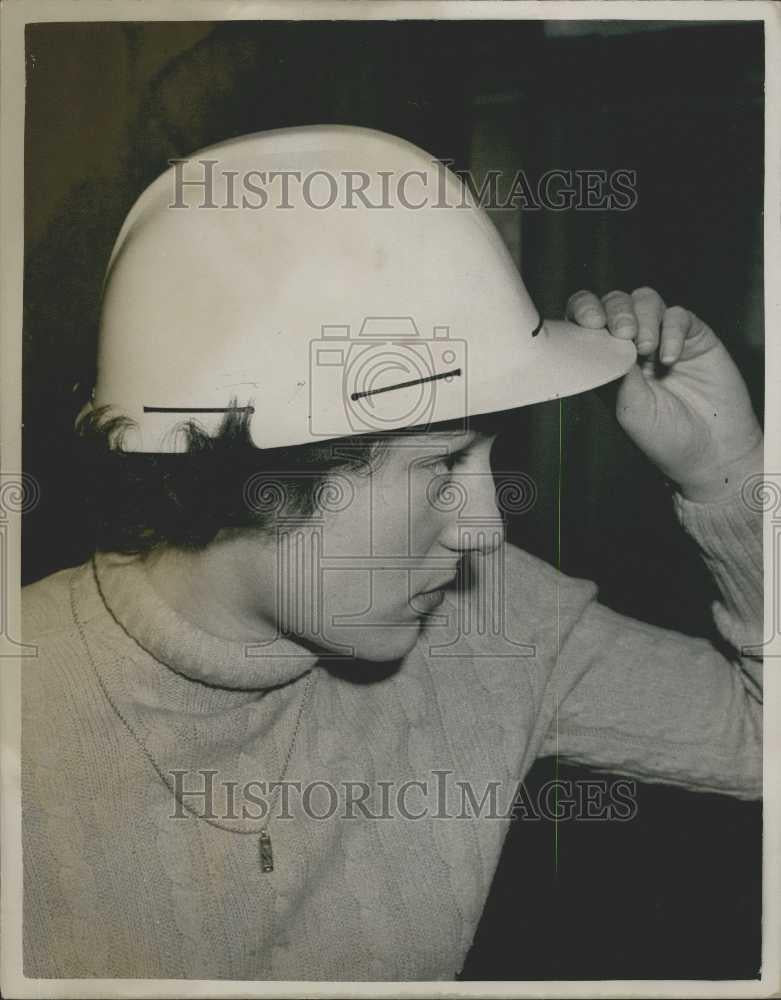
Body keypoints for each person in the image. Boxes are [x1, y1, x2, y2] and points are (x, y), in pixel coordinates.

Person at [22, 126, 763, 981]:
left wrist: (731, 476)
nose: (485, 528)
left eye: (488, 455)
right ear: (252, 473)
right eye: (441, 464)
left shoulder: (495, 625)